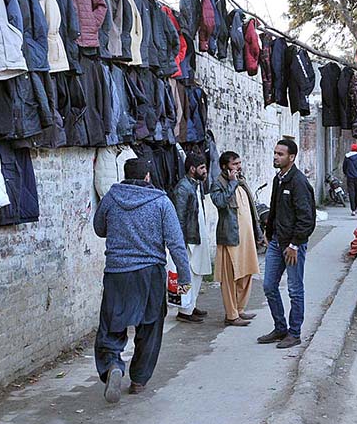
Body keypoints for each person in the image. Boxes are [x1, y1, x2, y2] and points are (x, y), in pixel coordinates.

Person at [93, 158, 190, 403]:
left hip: (117, 273)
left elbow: (99, 228)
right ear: (148, 176)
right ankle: (138, 379)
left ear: (125, 176)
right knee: (150, 327)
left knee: (111, 325)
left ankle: (113, 365)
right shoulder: (160, 201)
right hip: (150, 274)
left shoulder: (111, 198)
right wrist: (184, 278)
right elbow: (176, 244)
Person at [258, 139, 317, 349]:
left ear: (291, 157)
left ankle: (294, 333)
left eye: (280, 154)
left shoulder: (298, 182)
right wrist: (268, 231)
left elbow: (307, 218)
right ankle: (280, 328)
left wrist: (294, 245)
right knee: (268, 286)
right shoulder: (279, 179)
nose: (275, 157)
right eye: (275, 153)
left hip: (293, 245)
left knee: (294, 289)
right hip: (276, 242)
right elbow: (274, 208)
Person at [210, 151, 265, 327]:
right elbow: (220, 202)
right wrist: (232, 184)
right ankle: (231, 315)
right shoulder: (218, 184)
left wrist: (258, 233)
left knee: (247, 272)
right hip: (230, 237)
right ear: (225, 166)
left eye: (239, 163)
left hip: (246, 237)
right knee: (229, 277)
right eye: (235, 164)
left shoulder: (242, 182)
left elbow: (252, 210)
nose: (238, 167)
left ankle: (240, 309)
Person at [172, 152, 211, 324]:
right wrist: (180, 242)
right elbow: (179, 217)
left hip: (198, 234)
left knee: (197, 273)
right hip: (188, 239)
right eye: (202, 168)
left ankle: (191, 305)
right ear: (192, 169)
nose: (205, 172)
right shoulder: (182, 188)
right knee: (187, 273)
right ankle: (184, 310)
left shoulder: (196, 185)